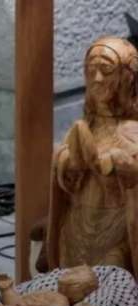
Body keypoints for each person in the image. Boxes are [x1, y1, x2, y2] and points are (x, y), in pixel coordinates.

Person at [46, 36, 138, 275]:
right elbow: (66, 179)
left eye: (106, 70)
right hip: (76, 229)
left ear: (127, 76)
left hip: (117, 234)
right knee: (67, 286)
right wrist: (66, 163)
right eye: (90, 70)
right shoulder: (83, 127)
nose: (97, 79)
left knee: (111, 283)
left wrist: (121, 164)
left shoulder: (133, 130)